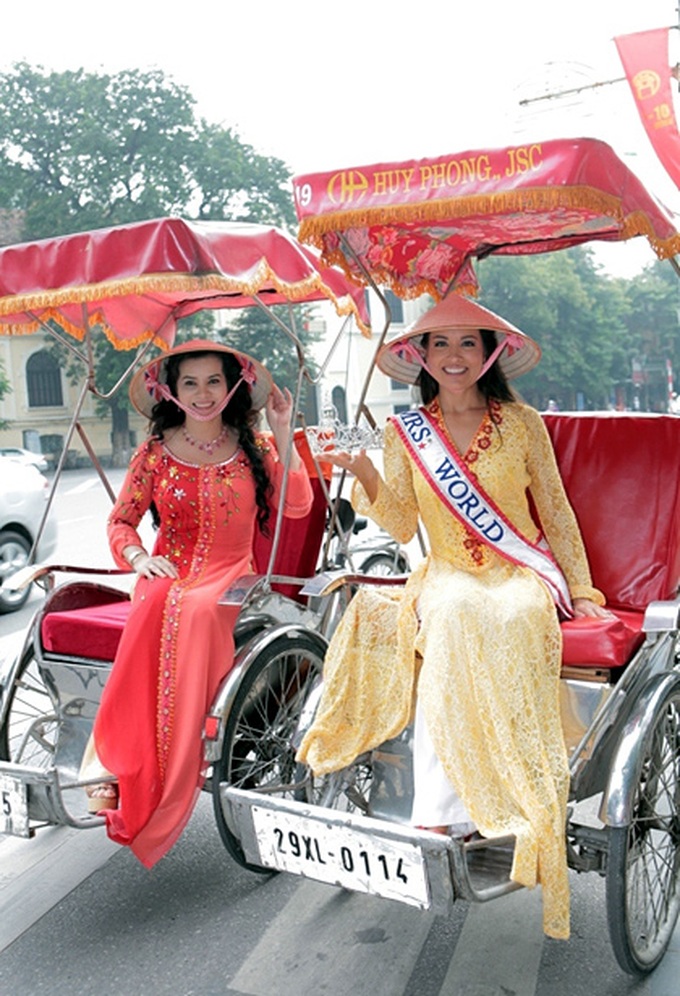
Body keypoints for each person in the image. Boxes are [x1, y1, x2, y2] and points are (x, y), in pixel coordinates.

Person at [297, 295, 611, 941]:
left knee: (489, 615)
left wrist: (580, 588)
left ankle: (474, 808)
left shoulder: (522, 425)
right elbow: (403, 524)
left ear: (490, 352)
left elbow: (554, 513)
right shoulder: (403, 433)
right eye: (440, 344)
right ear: (420, 357)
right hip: (445, 575)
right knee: (456, 614)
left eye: (468, 342)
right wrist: (361, 469)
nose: (454, 356)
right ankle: (441, 815)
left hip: (519, 575)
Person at [81, 339, 313, 868]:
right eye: (191, 383)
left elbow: (297, 505)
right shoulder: (155, 453)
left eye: (214, 381)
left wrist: (282, 432)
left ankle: (178, 761)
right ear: (172, 391)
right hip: (168, 570)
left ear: (232, 386)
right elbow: (121, 521)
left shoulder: (252, 444)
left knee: (202, 610)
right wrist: (139, 558)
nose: (203, 394)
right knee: (163, 597)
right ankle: (127, 761)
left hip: (231, 578)